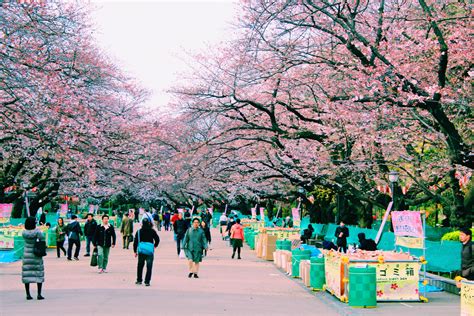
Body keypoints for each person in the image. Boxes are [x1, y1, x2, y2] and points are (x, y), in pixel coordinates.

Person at [22, 217, 45, 300]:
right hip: (36, 254)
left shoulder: (24, 232)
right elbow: (42, 238)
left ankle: (28, 294)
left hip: (27, 254)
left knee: (27, 274)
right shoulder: (37, 232)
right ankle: (39, 294)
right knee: (38, 273)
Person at [133, 218, 160, 286]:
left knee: (140, 266)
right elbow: (157, 239)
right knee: (149, 267)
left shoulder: (139, 231)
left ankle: (139, 280)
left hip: (141, 251)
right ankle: (147, 281)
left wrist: (135, 251)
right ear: (149, 223)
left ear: (142, 224)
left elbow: (135, 242)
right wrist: (155, 246)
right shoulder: (152, 231)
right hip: (149, 251)